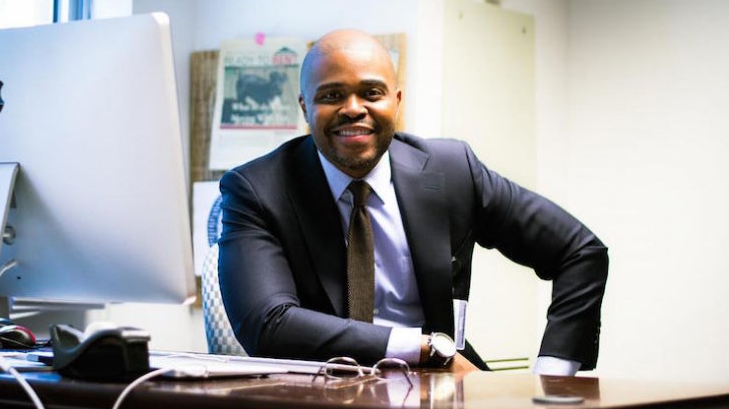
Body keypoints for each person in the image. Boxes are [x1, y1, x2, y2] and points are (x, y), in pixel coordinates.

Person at [217, 28, 608, 375]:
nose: (354, 108)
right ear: (304, 106)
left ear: (396, 101)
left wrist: (552, 378)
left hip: (446, 392)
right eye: (332, 95)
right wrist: (424, 349)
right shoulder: (256, 190)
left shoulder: (453, 171)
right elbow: (269, 324)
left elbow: (579, 252)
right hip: (322, 393)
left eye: (371, 93)